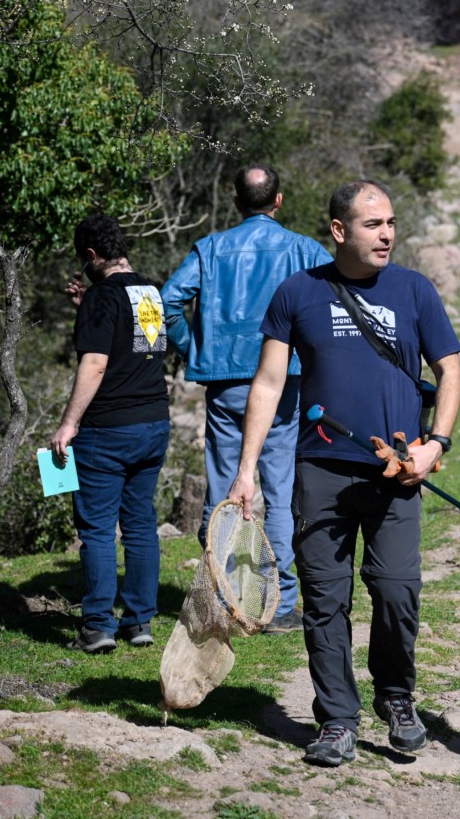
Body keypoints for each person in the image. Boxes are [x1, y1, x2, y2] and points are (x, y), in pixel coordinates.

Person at [225, 179, 460, 767]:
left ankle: (397, 697)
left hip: (397, 470)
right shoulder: (297, 293)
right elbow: (269, 382)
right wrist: (247, 469)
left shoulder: (414, 290)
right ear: (339, 231)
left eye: (390, 224)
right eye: (373, 224)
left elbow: (450, 372)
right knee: (325, 601)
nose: (387, 234)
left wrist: (437, 444)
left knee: (396, 591)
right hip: (320, 471)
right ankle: (335, 719)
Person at [161, 164, 331, 634]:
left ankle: (227, 597)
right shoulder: (303, 249)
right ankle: (278, 605)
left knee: (224, 490)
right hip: (284, 381)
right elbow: (331, 303)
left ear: (236, 202)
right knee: (277, 490)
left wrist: (192, 346)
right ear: (278, 201)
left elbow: (166, 301)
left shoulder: (211, 249)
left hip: (226, 384)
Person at [50, 214, 171, 654]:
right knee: (140, 526)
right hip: (153, 423)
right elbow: (136, 349)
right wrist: (90, 308)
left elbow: (97, 363)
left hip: (107, 429)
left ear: (91, 255)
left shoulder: (104, 297)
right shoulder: (149, 292)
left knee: (98, 529)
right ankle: (139, 623)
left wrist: (69, 423)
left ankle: (98, 627)